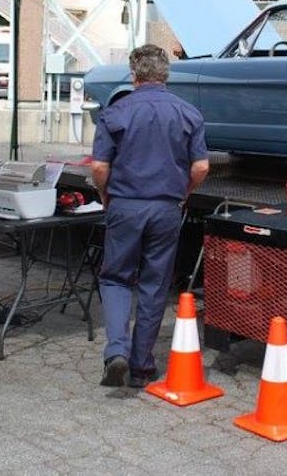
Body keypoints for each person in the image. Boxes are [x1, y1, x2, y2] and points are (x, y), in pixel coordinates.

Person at [90, 44, 210, 388]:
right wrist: (184, 193)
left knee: (115, 278)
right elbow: (201, 166)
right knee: (154, 284)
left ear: (134, 74)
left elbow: (99, 166)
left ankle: (116, 351)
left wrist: (104, 193)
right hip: (166, 208)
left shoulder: (116, 112)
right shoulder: (189, 113)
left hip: (125, 205)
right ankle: (142, 365)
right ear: (166, 75)